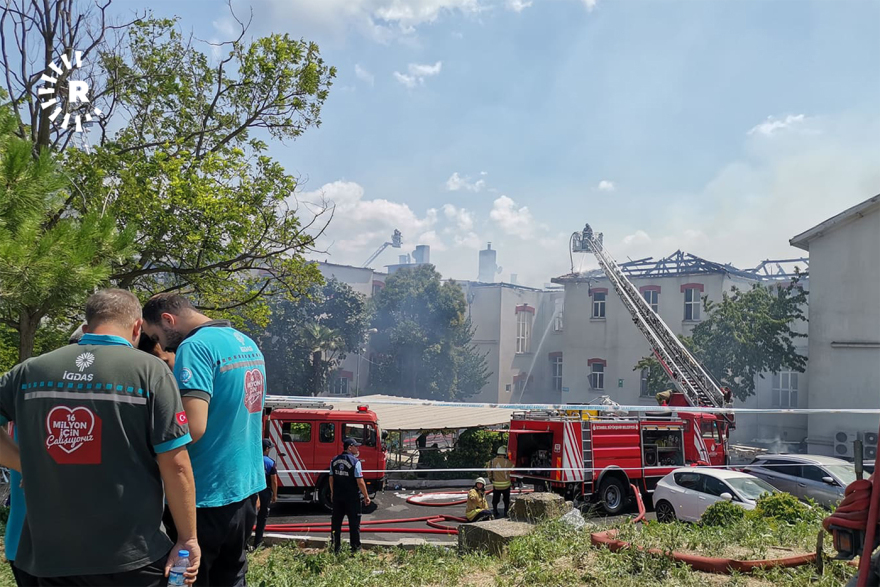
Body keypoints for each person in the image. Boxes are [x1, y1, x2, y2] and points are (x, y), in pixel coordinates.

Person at [0, 288, 200, 586]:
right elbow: (177, 465)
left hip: (48, 555)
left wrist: (26, 464)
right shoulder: (150, 372)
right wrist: (188, 539)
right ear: (136, 327)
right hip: (131, 555)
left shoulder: (30, 371)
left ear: (87, 325)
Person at [142, 293, 266, 586]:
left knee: (184, 579)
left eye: (155, 335)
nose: (160, 344)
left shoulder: (195, 347)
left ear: (168, 320)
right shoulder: (246, 342)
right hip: (244, 488)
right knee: (232, 574)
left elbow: (192, 426)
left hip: (205, 495)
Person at [329, 438, 372, 553]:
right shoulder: (355, 462)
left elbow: (331, 478)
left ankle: (335, 548)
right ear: (350, 447)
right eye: (356, 446)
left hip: (338, 498)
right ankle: (355, 549)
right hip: (352, 498)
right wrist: (366, 496)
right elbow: (360, 481)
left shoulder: (334, 460)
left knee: (336, 524)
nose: (358, 448)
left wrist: (333, 493)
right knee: (354, 524)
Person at [252, 439, 279, 549]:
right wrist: (275, 495)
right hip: (264, 492)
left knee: (250, 517)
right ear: (266, 449)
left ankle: (243, 544)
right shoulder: (270, 462)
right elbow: (274, 481)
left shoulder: (254, 460)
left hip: (253, 492)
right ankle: (257, 543)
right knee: (262, 518)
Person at [487, 446, 514, 518]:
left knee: (495, 500)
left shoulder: (492, 462)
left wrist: (491, 479)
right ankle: (506, 512)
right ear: (504, 453)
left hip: (496, 485)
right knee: (506, 500)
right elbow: (513, 467)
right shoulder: (507, 462)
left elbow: (489, 472)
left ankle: (495, 511)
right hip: (506, 485)